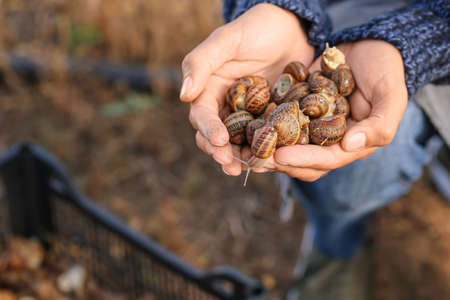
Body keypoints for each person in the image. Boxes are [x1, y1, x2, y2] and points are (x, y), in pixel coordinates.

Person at [179, 0, 449, 299]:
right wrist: (276, 7)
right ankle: (338, 246)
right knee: (352, 179)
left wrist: (426, 33)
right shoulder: (293, 100)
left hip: (417, 38)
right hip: (347, 19)